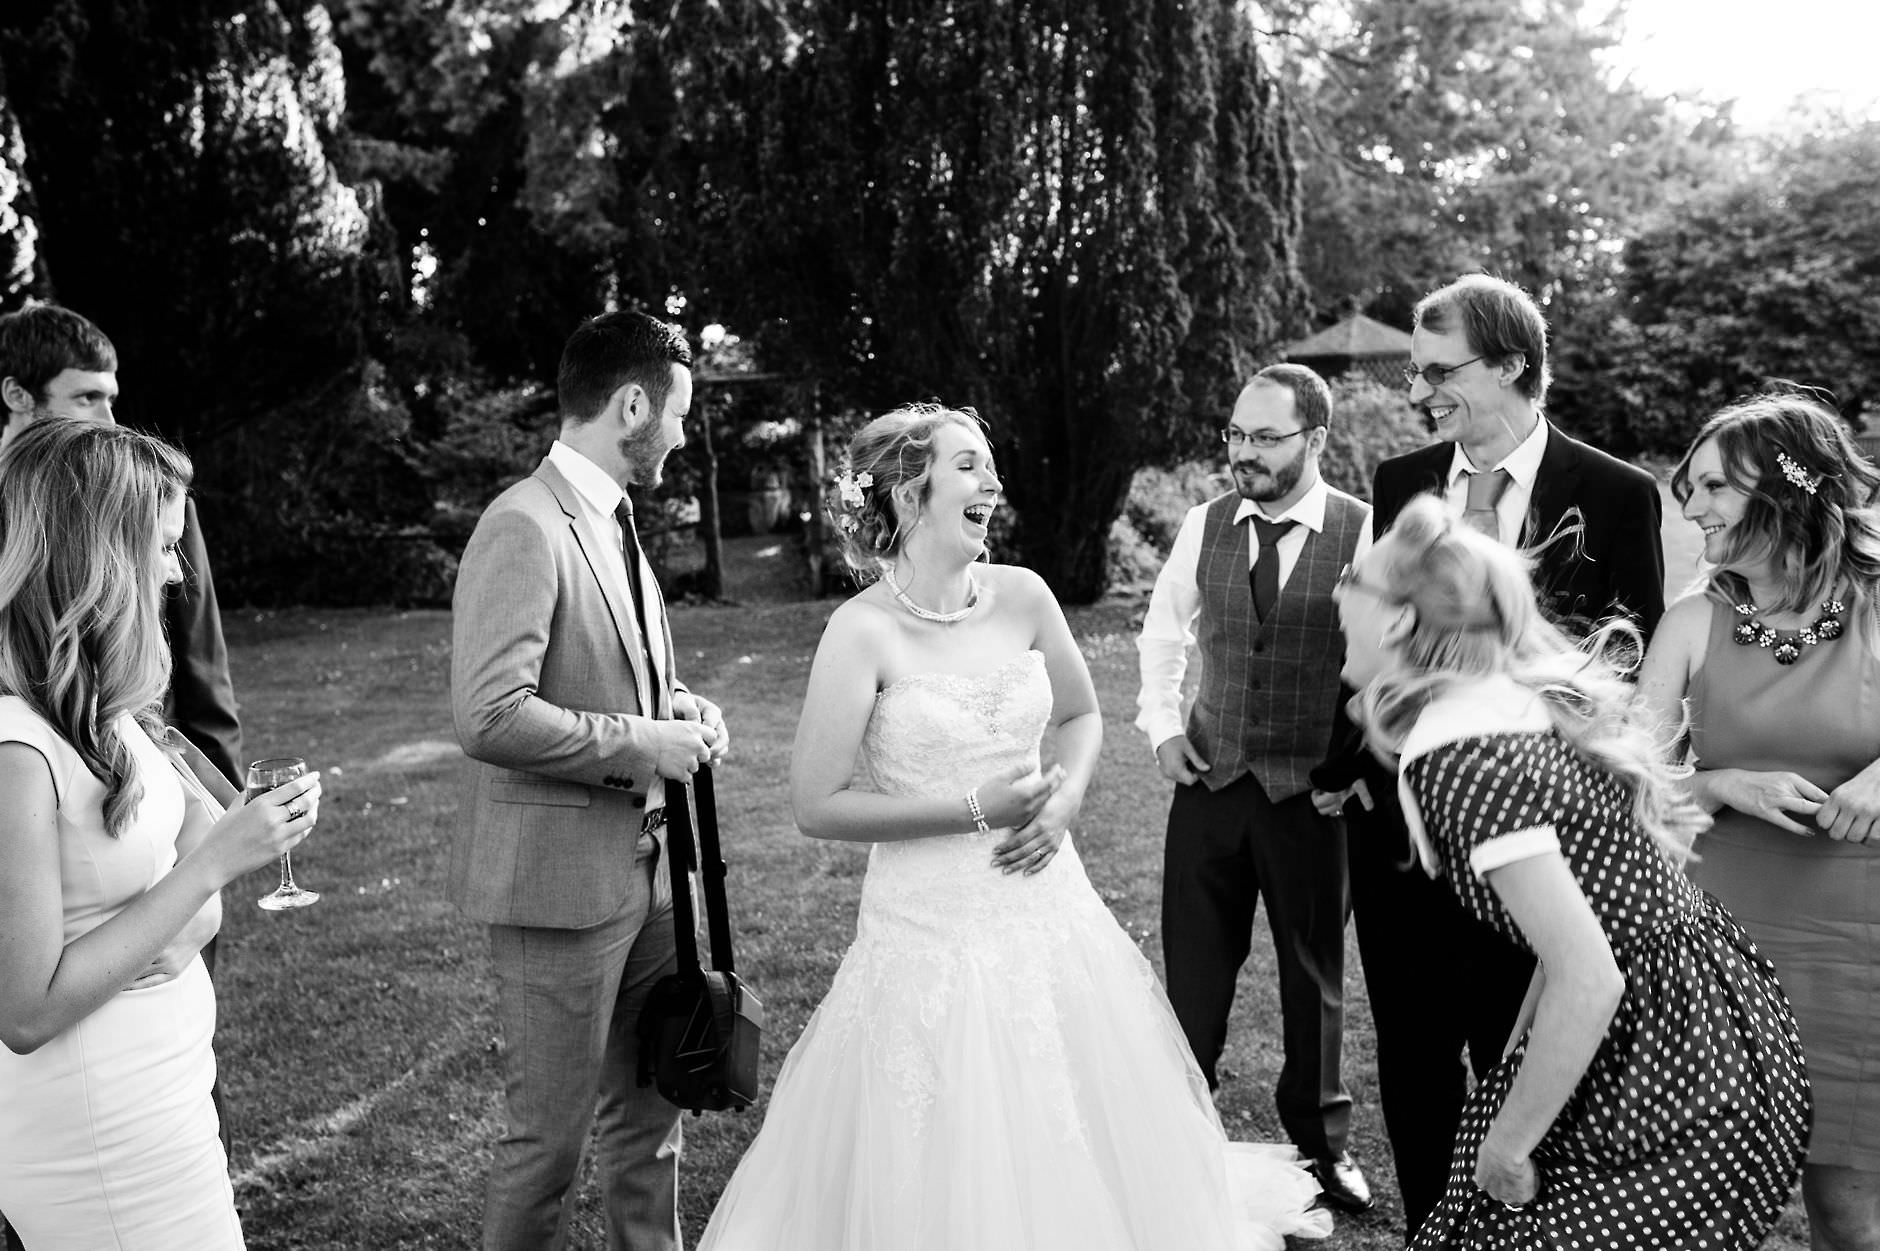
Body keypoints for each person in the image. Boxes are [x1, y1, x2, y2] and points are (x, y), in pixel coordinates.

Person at [697, 403, 1329, 1251]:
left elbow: (1079, 715)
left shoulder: (1025, 594)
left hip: (1050, 909)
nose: (992, 482)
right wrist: (972, 808)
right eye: (968, 465)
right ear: (906, 489)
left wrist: (1063, 799)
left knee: (1077, 1122)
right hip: (927, 928)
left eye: (990, 464)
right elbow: (816, 803)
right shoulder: (861, 631)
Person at [1338, 491, 1808, 1249]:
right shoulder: (1505, 703)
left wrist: (1507, 1144)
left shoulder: (1465, 762)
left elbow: (1592, 973)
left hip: (1668, 1062)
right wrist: (1514, 1075)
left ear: (1396, 619)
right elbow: (1591, 919)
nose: (1336, 593)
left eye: (1351, 581)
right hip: (1707, 1024)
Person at [1309, 272, 1666, 1238]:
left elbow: (1625, 673)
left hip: (1531, 840)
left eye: (1438, 370)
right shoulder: (1401, 483)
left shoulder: (1617, 495)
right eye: (1415, 373)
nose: (1419, 392)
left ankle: (1522, 1215)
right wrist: (1348, 765)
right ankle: (1436, 1226)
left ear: (1511, 364)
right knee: (1414, 1062)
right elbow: (1388, 639)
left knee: (1523, 1048)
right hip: (1403, 826)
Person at [0, 418, 322, 1251]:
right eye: (163, 545)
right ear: (94, 553)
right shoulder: (17, 747)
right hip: (96, 1129)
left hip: (166, 1092)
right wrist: (212, 866)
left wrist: (199, 889)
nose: (177, 570)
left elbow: (180, 908)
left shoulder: (109, 710)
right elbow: (26, 1009)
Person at [450, 310, 729, 1251]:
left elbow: (620, 669)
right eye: (680, 414)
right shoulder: (522, 524)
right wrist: (641, 742)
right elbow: (489, 713)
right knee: (547, 1150)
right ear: (633, 403)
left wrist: (683, 708)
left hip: (648, 883)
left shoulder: (615, 518)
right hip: (558, 894)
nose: (684, 436)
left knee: (652, 1132)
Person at [1639, 387, 1880, 1251]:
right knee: (1690, 1204)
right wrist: (1721, 785)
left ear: (1785, 492)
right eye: (1690, 489)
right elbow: (1633, 785)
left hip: (1862, 951)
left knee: (1850, 1219)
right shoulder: (1690, 621)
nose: (1692, 508)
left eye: (1713, 488)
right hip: (1723, 949)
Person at [1134, 363, 1373, 1212]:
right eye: (1236, 433)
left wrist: (1357, 765)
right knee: (1194, 972)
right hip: (1210, 783)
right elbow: (1163, 632)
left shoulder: (1364, 533)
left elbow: (1390, 668)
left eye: (1266, 437)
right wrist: (1162, 729)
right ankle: (1181, 1127)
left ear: (1315, 439)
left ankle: (1320, 1143)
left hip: (1314, 799)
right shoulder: (1206, 525)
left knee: (1316, 979)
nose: (1244, 452)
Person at [0, 302, 242, 783]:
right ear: (17, 394)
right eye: (87, 397)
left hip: (133, 785)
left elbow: (202, 680)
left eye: (111, 397)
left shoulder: (158, 507)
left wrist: (234, 817)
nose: (110, 421)